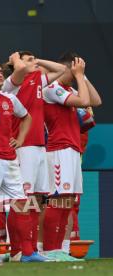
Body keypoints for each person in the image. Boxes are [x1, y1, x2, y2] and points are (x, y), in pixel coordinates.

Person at [0, 60, 48, 263]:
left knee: (22, 203)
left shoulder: (10, 100)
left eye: (0, 71)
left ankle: (26, 252)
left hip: (9, 158)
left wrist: (20, 139)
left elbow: (27, 118)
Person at [2, 51, 66, 260]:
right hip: (23, 146)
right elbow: (20, 68)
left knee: (37, 200)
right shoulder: (13, 83)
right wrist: (18, 61)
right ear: (17, 64)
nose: (34, 63)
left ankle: (30, 249)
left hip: (39, 146)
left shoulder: (37, 79)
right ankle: (17, 250)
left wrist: (37, 61)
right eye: (29, 60)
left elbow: (61, 69)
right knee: (21, 200)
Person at [42, 53, 101, 261]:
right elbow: (84, 100)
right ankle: (49, 250)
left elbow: (95, 100)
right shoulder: (52, 88)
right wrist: (78, 75)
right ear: (65, 69)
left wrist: (83, 77)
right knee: (57, 201)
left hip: (73, 149)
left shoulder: (69, 89)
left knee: (67, 202)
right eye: (74, 69)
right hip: (58, 148)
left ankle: (59, 249)